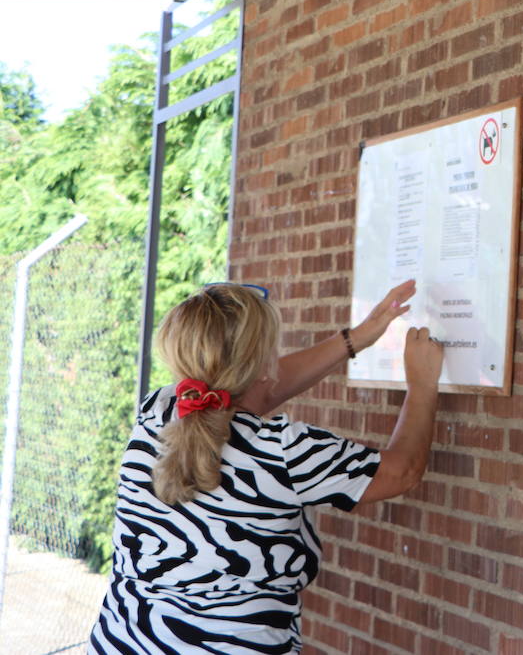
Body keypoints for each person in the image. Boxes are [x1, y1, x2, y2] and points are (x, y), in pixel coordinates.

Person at [87, 280, 441, 654]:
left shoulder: (156, 411)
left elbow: (252, 390)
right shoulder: (282, 450)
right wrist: (422, 385)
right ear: (262, 363)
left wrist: (359, 336)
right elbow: (401, 471)